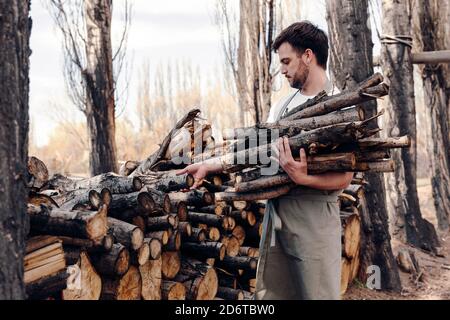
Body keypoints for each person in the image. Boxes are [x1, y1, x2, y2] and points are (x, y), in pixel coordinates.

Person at [177, 21, 353, 300]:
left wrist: (304, 178)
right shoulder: (281, 107)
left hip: (316, 220)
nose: (282, 69)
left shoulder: (341, 106)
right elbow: (256, 151)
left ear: (308, 56)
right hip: (277, 217)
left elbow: (345, 176)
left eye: (286, 61)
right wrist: (210, 165)